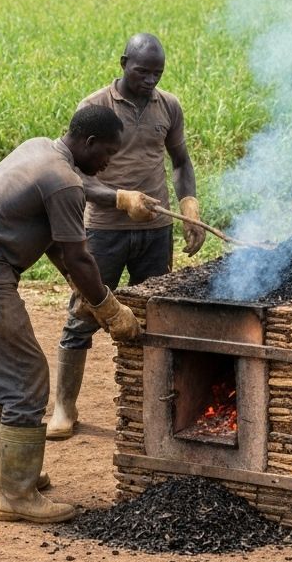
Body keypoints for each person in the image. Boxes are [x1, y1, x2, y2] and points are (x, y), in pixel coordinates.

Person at [0, 105, 144, 524]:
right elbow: (77, 254)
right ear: (87, 143)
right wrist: (106, 305)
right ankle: (17, 495)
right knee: (26, 380)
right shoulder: (63, 182)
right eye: (107, 153)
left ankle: (0, 476)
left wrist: (78, 286)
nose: (109, 162)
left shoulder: (40, 149)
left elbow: (50, 239)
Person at [47, 33, 205, 441]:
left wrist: (189, 202)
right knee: (85, 313)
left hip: (155, 231)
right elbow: (75, 175)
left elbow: (181, 160)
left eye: (157, 72)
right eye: (142, 71)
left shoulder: (168, 106)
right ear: (122, 63)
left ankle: (148, 406)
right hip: (104, 229)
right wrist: (119, 199)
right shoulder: (95, 107)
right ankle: (64, 407)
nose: (150, 79)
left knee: (154, 315)